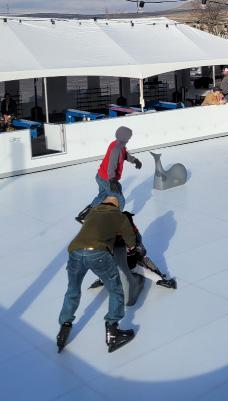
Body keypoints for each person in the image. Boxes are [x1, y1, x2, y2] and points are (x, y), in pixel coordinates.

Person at [56, 196, 137, 353]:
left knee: (72, 290)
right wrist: (131, 247)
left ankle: (64, 328)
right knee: (115, 289)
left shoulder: (92, 212)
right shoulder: (119, 216)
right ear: (118, 206)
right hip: (98, 253)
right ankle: (113, 332)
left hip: (75, 251)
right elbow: (131, 240)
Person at [75, 126, 142, 223]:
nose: (129, 139)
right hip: (107, 178)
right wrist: (112, 180)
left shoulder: (117, 144)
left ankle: (84, 215)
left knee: (102, 196)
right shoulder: (116, 149)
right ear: (124, 137)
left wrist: (134, 160)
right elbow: (111, 166)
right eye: (129, 137)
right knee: (120, 199)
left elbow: (125, 154)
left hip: (100, 176)